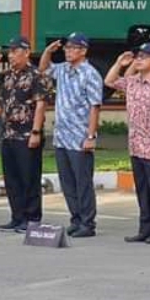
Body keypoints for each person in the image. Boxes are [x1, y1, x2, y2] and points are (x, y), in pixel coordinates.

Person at [105, 43, 150, 244]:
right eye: (138, 56)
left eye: (144, 57)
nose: (139, 59)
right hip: (136, 144)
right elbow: (109, 81)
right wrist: (119, 63)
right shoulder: (133, 80)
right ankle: (145, 228)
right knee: (143, 190)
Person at [0, 37, 47, 234]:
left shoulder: (36, 75)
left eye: (16, 51)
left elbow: (41, 104)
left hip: (27, 135)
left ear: (26, 52)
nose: (11, 55)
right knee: (12, 179)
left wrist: (35, 132)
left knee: (29, 178)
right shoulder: (7, 75)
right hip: (8, 135)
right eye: (10, 51)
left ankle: (32, 218)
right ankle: (17, 217)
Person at [39, 32, 103, 238]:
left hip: (79, 136)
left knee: (82, 182)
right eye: (66, 48)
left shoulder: (90, 74)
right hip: (62, 136)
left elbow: (95, 107)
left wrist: (91, 136)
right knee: (67, 182)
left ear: (83, 51)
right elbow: (43, 69)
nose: (68, 51)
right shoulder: (63, 70)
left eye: (73, 48)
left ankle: (87, 222)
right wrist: (48, 51)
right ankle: (75, 218)